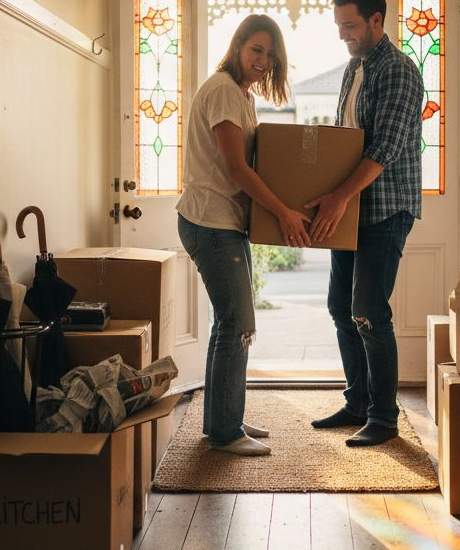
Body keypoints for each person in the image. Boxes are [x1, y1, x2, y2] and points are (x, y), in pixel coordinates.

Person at [177, 14, 313, 456]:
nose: (263, 60)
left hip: (223, 223)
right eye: (257, 50)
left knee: (229, 324)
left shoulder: (239, 94)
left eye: (270, 55)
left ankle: (223, 419)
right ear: (237, 46)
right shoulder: (222, 91)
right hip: (211, 222)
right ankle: (224, 431)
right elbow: (237, 170)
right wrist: (284, 214)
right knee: (236, 325)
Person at [307, 0, 423, 447]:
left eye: (350, 25)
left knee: (369, 313)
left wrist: (337, 200)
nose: (342, 35)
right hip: (349, 210)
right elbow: (343, 141)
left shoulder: (397, 70)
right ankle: (356, 402)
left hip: (384, 210)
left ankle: (384, 418)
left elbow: (384, 148)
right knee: (341, 307)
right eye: (338, 26)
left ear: (378, 20)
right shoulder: (352, 69)